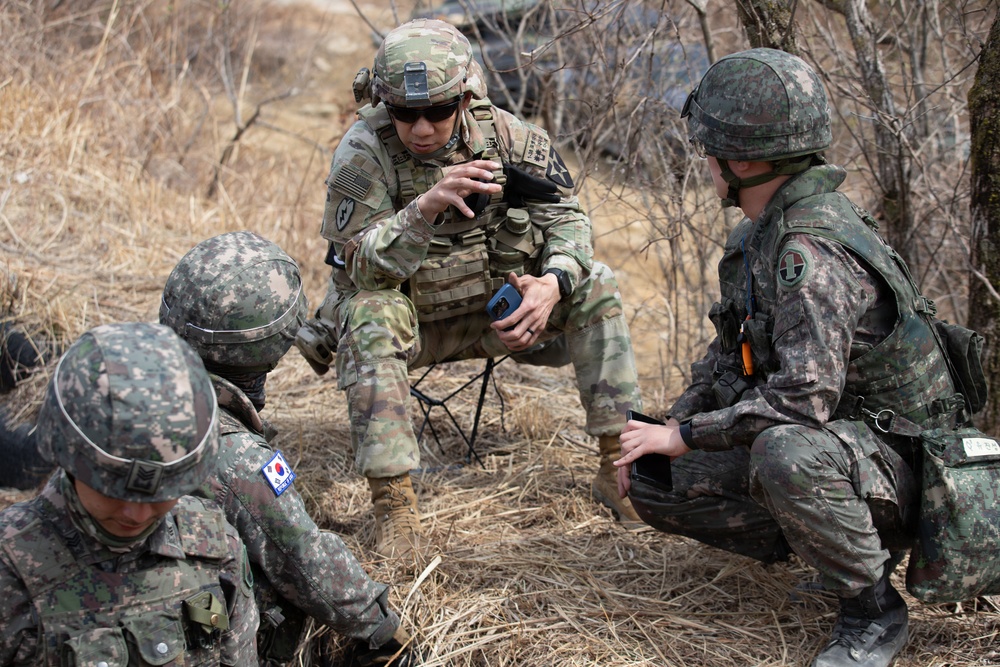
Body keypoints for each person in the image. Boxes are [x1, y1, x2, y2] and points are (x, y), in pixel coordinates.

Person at [615, 48, 963, 667]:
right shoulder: (760, 235)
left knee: (783, 448)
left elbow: (802, 404)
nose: (705, 162)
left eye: (710, 149)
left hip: (907, 469)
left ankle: (872, 613)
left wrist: (689, 434)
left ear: (742, 158)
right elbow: (728, 360)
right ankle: (826, 548)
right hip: (847, 450)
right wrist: (663, 430)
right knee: (655, 477)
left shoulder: (811, 248)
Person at [295, 18, 643, 559]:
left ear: (465, 96)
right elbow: (357, 266)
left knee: (595, 282)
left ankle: (617, 470)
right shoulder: (364, 152)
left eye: (437, 110)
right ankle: (395, 508)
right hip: (413, 325)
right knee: (368, 312)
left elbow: (569, 219)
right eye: (406, 113)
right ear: (386, 105)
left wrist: (550, 284)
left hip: (500, 318)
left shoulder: (507, 135)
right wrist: (421, 212)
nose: (422, 128)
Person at [159, 231, 419, 666]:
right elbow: (304, 559)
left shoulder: (129, 384)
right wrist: (382, 628)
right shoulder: (235, 456)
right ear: (270, 347)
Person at [0, 322, 259, 665]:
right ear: (68, 455)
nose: (136, 515)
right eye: (115, 492)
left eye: (159, 495)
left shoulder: (213, 545)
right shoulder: (10, 567)